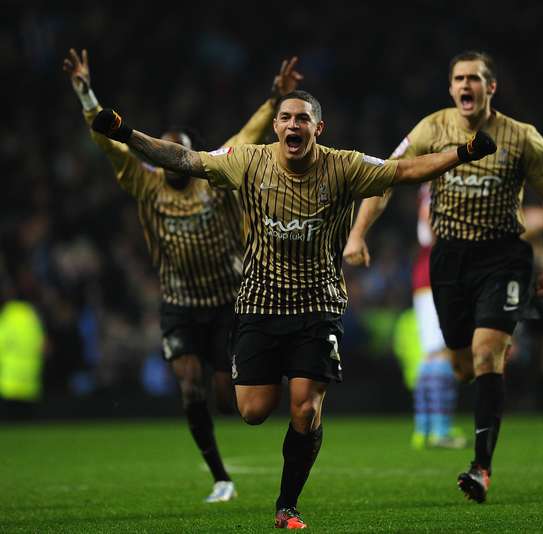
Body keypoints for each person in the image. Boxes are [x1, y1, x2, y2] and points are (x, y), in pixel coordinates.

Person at [89, 90, 496, 528]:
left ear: (317, 129)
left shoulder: (344, 166)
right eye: (285, 118)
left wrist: (463, 152)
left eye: (302, 119)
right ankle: (290, 402)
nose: (292, 125)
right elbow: (183, 160)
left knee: (305, 409)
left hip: (318, 307)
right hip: (260, 305)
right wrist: (126, 134)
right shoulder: (248, 160)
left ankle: (287, 505)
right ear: (277, 126)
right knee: (252, 410)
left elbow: (405, 170)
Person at [64, 48, 303, 503]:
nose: (170, 163)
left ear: (189, 156)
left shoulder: (213, 172)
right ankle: (220, 477)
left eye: (178, 156)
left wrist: (275, 97)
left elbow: (249, 133)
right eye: (165, 156)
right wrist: (85, 93)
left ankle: (274, 371)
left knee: (226, 395)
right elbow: (108, 139)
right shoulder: (145, 181)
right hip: (179, 303)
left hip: (227, 299)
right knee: (190, 387)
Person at [344, 50, 543, 503]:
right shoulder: (432, 129)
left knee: (486, 354)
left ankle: (481, 467)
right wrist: (358, 233)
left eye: (475, 79)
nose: (466, 86)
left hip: (504, 255)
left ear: (491, 87)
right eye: (459, 79)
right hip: (449, 260)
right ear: (451, 88)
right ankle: (491, 375)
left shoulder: (523, 138)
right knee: (465, 365)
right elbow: (386, 176)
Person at [410, 184, 465, 449]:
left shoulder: (429, 184)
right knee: (442, 352)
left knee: (431, 354)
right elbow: (428, 214)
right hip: (436, 273)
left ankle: (424, 427)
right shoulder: (440, 184)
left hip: (425, 275)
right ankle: (440, 429)